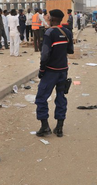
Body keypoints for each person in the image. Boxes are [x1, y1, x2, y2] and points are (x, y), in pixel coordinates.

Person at [35, 9, 74, 137]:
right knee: (61, 97)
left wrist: (41, 70)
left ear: (51, 19)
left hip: (51, 71)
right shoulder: (67, 32)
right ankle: (59, 127)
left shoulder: (49, 33)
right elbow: (70, 51)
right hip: (63, 70)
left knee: (41, 98)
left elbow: (45, 54)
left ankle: (45, 127)